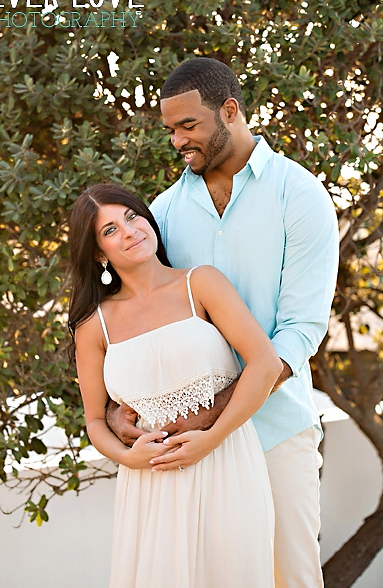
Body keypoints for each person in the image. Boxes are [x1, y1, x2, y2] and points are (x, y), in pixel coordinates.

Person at [109, 58, 338, 587]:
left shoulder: (299, 197)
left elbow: (300, 332)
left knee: (292, 578)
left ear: (229, 111)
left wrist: (215, 416)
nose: (176, 141)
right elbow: (147, 318)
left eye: (188, 126)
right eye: (170, 130)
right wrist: (122, 413)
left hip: (275, 432)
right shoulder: (163, 212)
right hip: (187, 446)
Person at [70, 183, 280, 587]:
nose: (130, 231)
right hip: (150, 477)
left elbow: (265, 364)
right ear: (98, 253)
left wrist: (212, 437)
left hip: (226, 460)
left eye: (132, 216)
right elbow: (95, 420)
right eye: (110, 230)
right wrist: (127, 458)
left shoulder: (200, 283)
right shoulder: (93, 326)